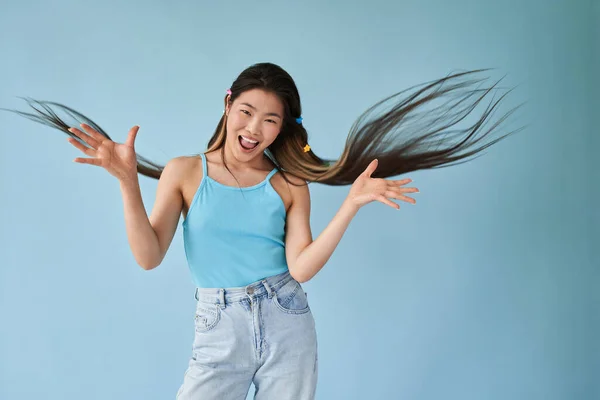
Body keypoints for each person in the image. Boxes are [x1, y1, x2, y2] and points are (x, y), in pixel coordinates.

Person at [6, 62, 523, 399]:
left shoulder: (290, 183)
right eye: (247, 112)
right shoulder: (186, 172)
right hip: (219, 322)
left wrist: (352, 205)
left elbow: (301, 267)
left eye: (270, 121)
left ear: (284, 128)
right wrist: (125, 182)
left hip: (286, 318)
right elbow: (148, 255)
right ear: (228, 106)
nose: (254, 130)